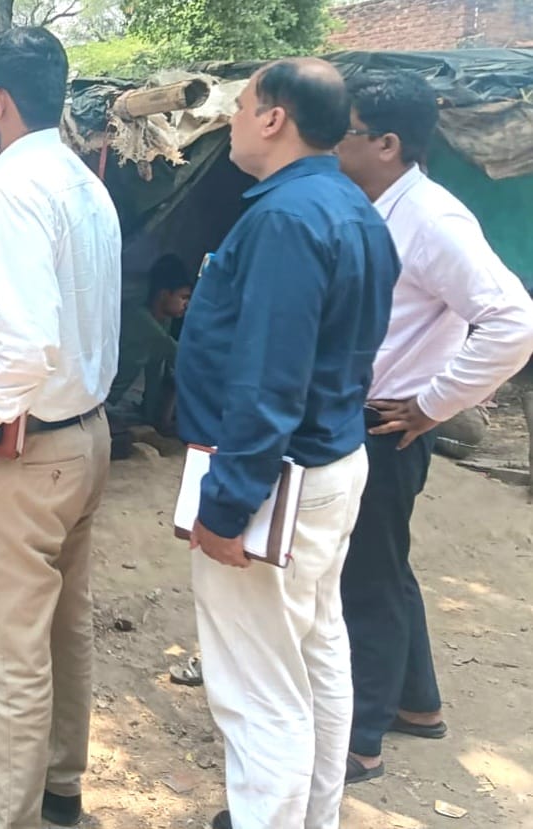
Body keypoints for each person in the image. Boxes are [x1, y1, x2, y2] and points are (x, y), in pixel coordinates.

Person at [174, 59, 399, 829]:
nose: (232, 122)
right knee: (314, 650)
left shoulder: (285, 220)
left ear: (274, 118)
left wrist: (227, 504)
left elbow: (268, 378)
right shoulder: (352, 206)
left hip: (277, 477)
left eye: (240, 107)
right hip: (329, 461)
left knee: (259, 688)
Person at [0, 29, 120, 828]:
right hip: (85, 433)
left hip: (27, 444)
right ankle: (58, 782)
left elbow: (27, 339)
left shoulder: (10, 186)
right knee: (64, 626)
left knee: (8, 648)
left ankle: (12, 809)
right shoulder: (82, 181)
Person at [334, 70, 533, 785]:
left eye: (345, 131)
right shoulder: (380, 206)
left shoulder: (432, 219)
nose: (331, 143)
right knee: (384, 564)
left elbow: (512, 321)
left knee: (364, 578)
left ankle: (360, 739)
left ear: (386, 143)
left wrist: (434, 403)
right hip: (377, 416)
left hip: (388, 424)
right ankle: (416, 703)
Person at [106, 253, 193, 456]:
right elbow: (176, 354)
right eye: (183, 297)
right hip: (101, 401)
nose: (187, 305)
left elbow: (155, 372)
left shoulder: (164, 320)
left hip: (116, 401)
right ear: (164, 295)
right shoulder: (139, 317)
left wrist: (151, 419)